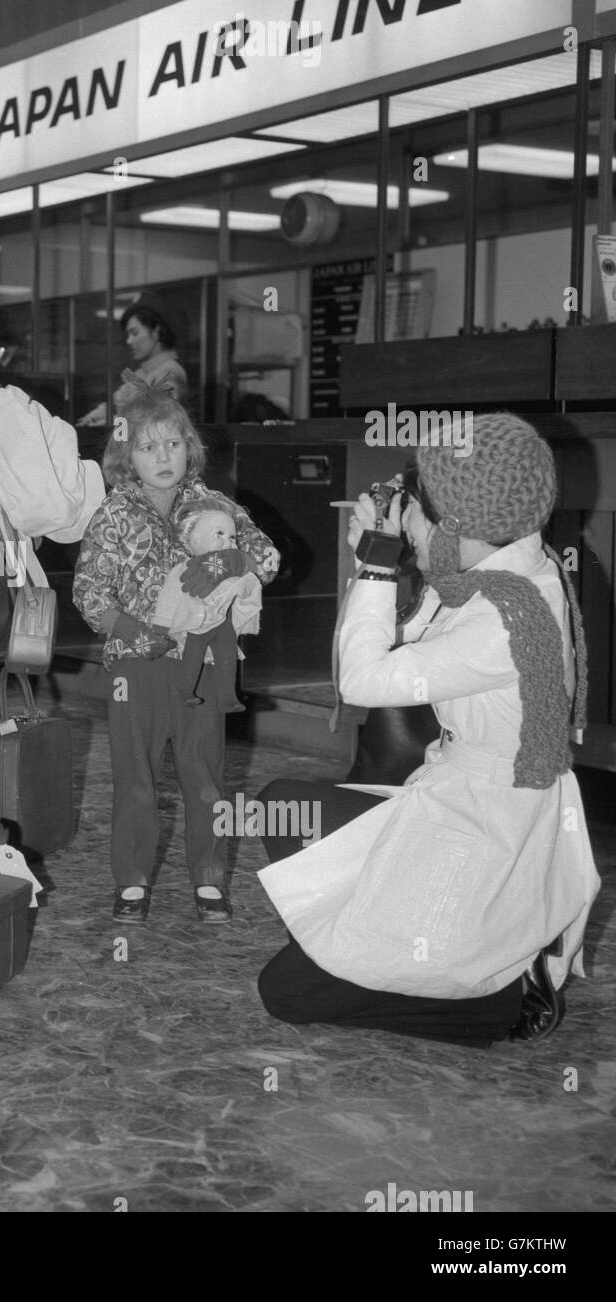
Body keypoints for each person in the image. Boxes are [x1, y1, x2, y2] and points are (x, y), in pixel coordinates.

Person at [256, 413, 601, 1046]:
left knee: (284, 994)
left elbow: (362, 681)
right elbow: (405, 638)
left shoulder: (506, 616)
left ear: (461, 528)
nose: (407, 508)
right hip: (452, 792)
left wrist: (378, 566)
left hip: (484, 830)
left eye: (419, 503)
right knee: (283, 808)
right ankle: (382, 949)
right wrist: (392, 553)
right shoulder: (505, 565)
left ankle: (499, 997)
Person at [73, 391, 279, 925]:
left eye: (172, 443)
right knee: (134, 776)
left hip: (203, 662)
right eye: (147, 447)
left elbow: (269, 558)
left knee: (205, 772)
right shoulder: (114, 514)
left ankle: (210, 881)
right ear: (126, 457)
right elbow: (90, 593)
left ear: (189, 448)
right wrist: (136, 634)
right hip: (136, 666)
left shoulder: (214, 505)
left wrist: (237, 557)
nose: (162, 456)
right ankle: (133, 882)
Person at [151, 499, 263, 713]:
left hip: (222, 623)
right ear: (193, 539)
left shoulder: (233, 568)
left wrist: (244, 567)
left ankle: (228, 697)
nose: (227, 542)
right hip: (197, 623)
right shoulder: (183, 569)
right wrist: (162, 624)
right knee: (192, 656)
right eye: (218, 534)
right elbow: (169, 597)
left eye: (232, 537)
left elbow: (251, 588)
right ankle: (185, 690)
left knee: (228, 658)